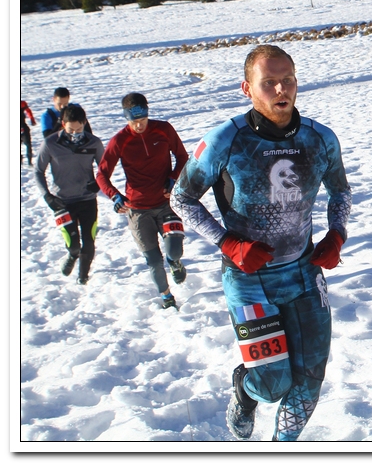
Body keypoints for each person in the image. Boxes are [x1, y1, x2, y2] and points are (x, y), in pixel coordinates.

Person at [172, 44, 351, 442]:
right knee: (271, 384)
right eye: (268, 82)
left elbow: (340, 192)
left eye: (288, 80)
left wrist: (337, 234)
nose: (281, 89)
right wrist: (228, 243)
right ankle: (244, 389)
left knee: (309, 381)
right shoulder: (224, 140)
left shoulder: (320, 138)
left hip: (304, 274)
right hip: (248, 280)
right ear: (247, 88)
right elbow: (181, 198)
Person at [96, 93, 189, 310]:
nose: (139, 125)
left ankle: (175, 262)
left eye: (143, 120)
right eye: (134, 121)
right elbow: (101, 175)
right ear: (126, 118)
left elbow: (183, 157)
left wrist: (173, 178)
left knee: (174, 250)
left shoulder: (163, 130)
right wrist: (114, 195)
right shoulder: (119, 141)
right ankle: (166, 297)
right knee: (154, 260)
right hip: (138, 210)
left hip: (166, 203)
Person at [34, 104, 105, 284]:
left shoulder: (94, 143)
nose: (75, 134)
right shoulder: (50, 143)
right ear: (63, 124)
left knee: (89, 242)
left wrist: (98, 183)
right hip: (62, 202)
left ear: (84, 123)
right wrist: (47, 195)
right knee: (74, 245)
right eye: (70, 130)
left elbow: (105, 168)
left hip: (87, 200)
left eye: (79, 129)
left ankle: (83, 277)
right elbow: (38, 171)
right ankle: (73, 255)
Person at [20, 100, 36, 166]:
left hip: (23, 128)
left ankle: (29, 162)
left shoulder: (22, 103)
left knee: (28, 144)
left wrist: (32, 119)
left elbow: (28, 110)